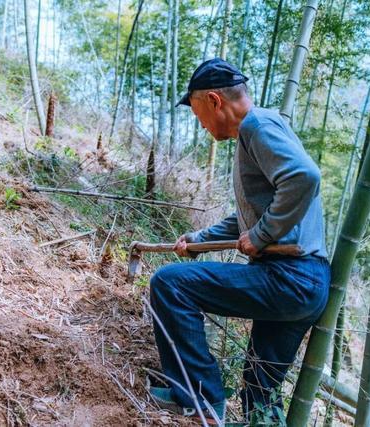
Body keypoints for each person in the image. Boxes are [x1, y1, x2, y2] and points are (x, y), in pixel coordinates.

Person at [148, 58, 331, 426]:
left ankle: (199, 396)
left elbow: (305, 178)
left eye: (197, 111)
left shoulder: (257, 126)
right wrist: (198, 240)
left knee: (169, 284)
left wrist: (262, 236)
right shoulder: (260, 131)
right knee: (259, 390)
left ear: (214, 100)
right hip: (307, 283)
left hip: (289, 277)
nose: (200, 124)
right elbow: (249, 218)